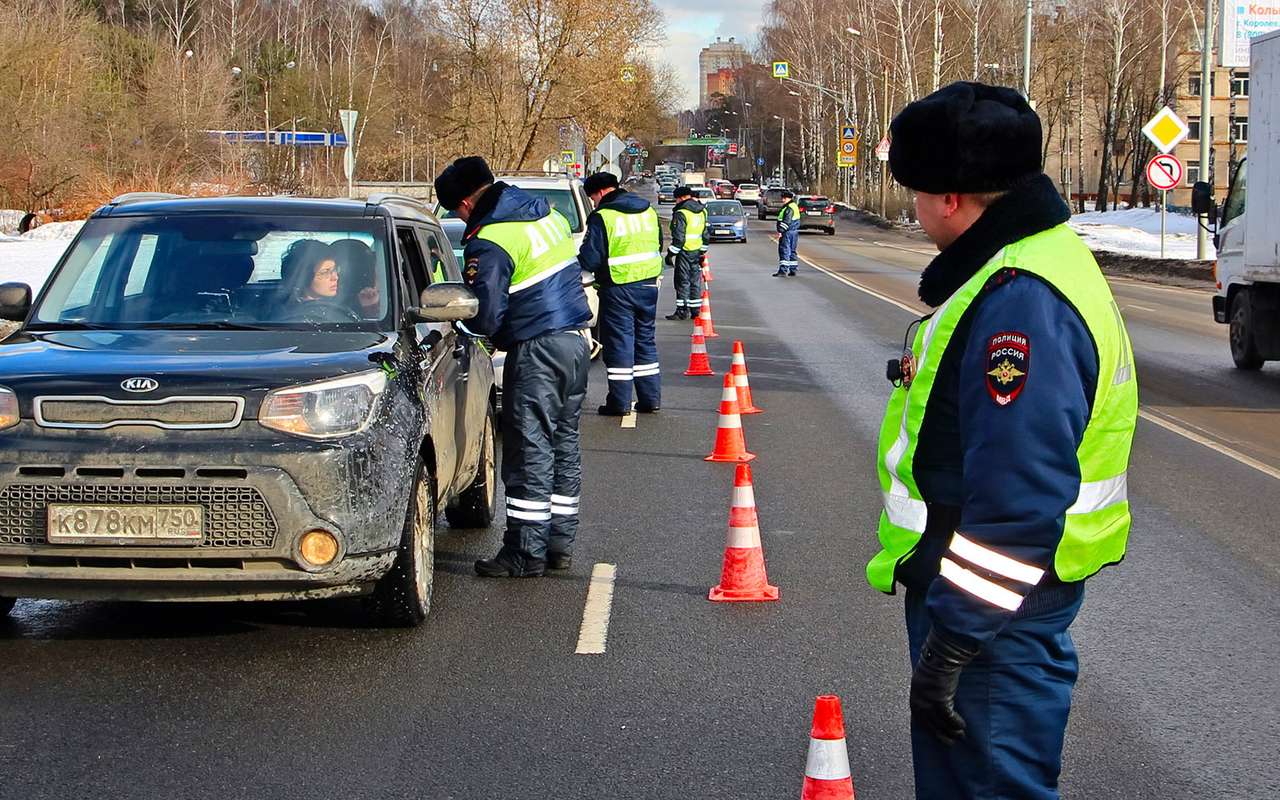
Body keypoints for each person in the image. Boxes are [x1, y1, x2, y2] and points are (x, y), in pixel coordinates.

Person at [866, 82, 1138, 799]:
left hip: (992, 617)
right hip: (996, 605)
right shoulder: (1028, 260)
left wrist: (955, 640)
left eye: (916, 194)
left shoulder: (1020, 298)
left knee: (987, 788)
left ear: (951, 198)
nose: (914, 211)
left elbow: (1019, 497)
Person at [434, 156, 593, 578]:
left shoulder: (491, 240)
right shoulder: (546, 215)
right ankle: (558, 543)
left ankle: (524, 550)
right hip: (574, 343)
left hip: (536, 348)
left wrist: (459, 321)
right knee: (562, 444)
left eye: (456, 209)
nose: (458, 216)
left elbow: (485, 314)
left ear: (466, 202)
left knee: (528, 450)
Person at [578, 171, 663, 416]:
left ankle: (620, 402)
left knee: (619, 345)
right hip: (648, 286)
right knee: (645, 342)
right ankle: (650, 399)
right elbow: (658, 244)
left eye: (592, 197)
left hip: (618, 288)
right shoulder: (648, 211)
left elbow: (590, 258)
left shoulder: (603, 216)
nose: (593, 202)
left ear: (601, 192)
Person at [663, 186, 706, 320]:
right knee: (695, 281)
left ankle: (682, 311)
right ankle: (695, 311)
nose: (675, 202)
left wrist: (670, 254)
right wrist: (702, 252)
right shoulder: (702, 211)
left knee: (682, 282)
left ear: (680, 198)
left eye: (676, 199)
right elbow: (705, 234)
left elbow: (679, 238)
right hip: (697, 251)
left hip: (684, 252)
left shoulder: (681, 213)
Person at [772, 190, 800, 276]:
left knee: (784, 250)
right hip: (793, 232)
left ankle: (783, 270)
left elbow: (786, 222)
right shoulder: (794, 206)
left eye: (784, 198)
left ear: (789, 198)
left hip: (787, 232)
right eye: (782, 198)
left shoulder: (789, 208)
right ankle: (793, 269)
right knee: (792, 250)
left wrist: (780, 231)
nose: (783, 200)